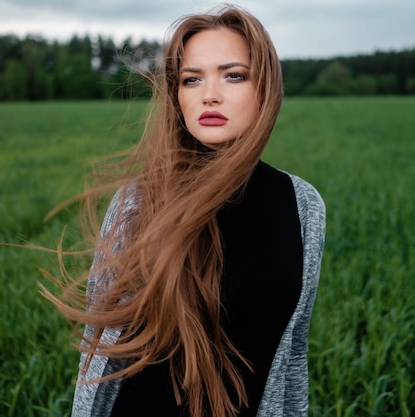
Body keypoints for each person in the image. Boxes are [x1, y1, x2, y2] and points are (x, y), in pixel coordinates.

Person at [54, 4, 326, 417]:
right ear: (177, 95)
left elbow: (292, 353)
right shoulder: (137, 202)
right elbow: (99, 349)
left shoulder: (302, 204)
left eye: (233, 75)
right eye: (191, 79)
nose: (209, 94)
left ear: (265, 88)